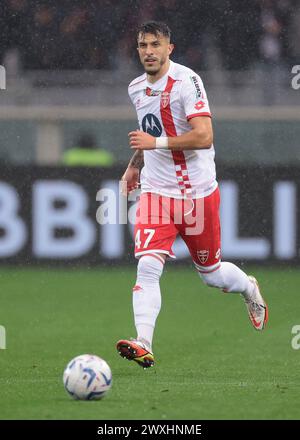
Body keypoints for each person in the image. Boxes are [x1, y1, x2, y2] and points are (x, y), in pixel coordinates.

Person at [116, 21, 268, 369]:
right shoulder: (136, 87)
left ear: (170, 47)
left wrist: (155, 144)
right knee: (147, 267)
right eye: (143, 45)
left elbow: (204, 136)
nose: (149, 51)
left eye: (156, 44)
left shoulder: (187, 82)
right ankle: (143, 342)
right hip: (156, 192)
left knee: (211, 273)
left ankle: (248, 288)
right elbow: (149, 130)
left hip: (196, 195)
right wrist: (135, 164)